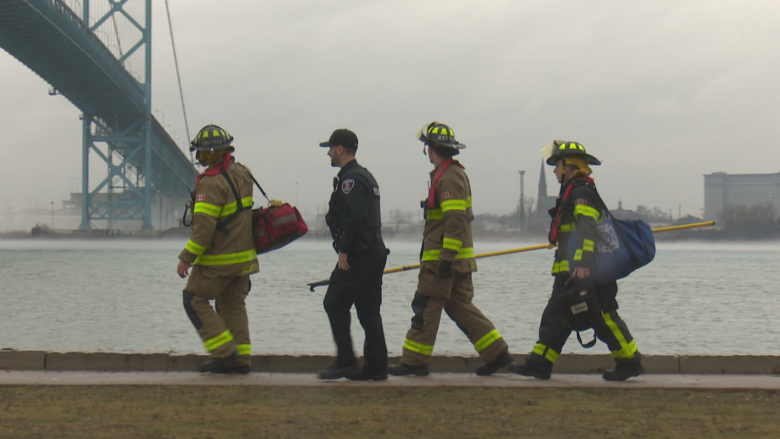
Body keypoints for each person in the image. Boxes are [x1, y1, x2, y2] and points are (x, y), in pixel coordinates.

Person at [510, 140, 644, 381]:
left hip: (583, 271)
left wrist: (582, 265)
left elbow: (587, 229)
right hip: (571, 271)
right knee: (557, 318)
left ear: (569, 167)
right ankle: (540, 363)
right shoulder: (574, 190)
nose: (554, 170)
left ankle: (630, 361)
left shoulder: (581, 192)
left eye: (557, 165)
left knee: (603, 317)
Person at [388, 122, 514, 377]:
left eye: (427, 147)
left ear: (432, 149)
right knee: (460, 308)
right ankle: (497, 354)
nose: (427, 152)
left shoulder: (448, 177)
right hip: (455, 261)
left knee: (425, 308)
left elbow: (455, 222)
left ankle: (413, 362)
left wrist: (444, 259)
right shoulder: (450, 175)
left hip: (443, 262)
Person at [177, 124, 259, 374]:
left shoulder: (210, 183)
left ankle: (224, 353)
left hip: (219, 260)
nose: (199, 158)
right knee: (232, 304)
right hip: (245, 257)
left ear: (210, 153)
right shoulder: (243, 172)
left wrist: (186, 258)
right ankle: (241, 359)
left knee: (193, 299)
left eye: (201, 153)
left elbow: (202, 231)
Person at [318, 128, 389, 381]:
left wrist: (344, 251)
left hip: (359, 252)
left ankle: (346, 361)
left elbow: (354, 218)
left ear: (340, 149)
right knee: (368, 308)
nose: (328, 153)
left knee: (334, 302)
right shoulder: (364, 176)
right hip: (373, 250)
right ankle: (376, 366)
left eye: (330, 148)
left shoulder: (351, 181)